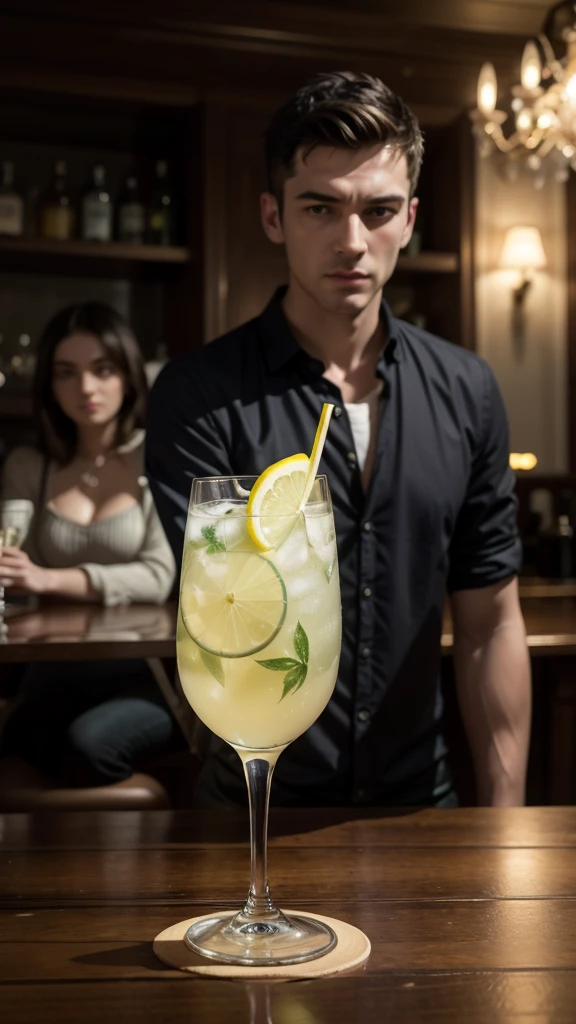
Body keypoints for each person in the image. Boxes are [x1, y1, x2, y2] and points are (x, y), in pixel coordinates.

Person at [146, 72, 531, 809]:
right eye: (320, 207)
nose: (352, 241)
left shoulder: (468, 389)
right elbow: (215, 609)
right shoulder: (199, 395)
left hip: (424, 803)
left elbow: (490, 624)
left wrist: (505, 819)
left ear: (410, 218)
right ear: (273, 215)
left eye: (379, 210)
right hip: (256, 808)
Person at [0, 302, 182, 787]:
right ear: (48, 384)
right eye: (67, 373)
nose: (85, 388)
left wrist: (48, 578)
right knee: (18, 742)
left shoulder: (156, 455)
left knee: (90, 747)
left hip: (145, 668)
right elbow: (9, 566)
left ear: (127, 374)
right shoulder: (28, 465)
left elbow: (158, 575)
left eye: (102, 369)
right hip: (50, 667)